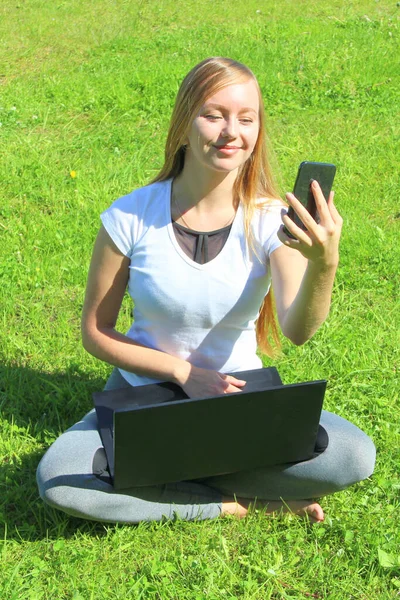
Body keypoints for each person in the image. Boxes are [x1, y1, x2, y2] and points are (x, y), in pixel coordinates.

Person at [37, 57, 375, 524]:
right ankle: (234, 502)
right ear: (184, 124)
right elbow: (96, 331)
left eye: (246, 118)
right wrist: (181, 372)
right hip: (145, 396)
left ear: (258, 130)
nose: (230, 132)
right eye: (213, 115)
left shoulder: (270, 219)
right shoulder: (131, 217)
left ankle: (162, 481)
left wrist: (325, 262)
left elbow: (298, 330)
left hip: (239, 397)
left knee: (354, 456)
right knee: (58, 475)